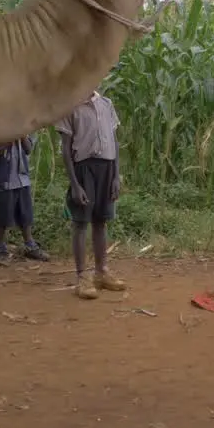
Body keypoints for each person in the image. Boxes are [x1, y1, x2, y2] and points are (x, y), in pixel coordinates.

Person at [57, 90, 126, 300]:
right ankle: (82, 277)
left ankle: (101, 272)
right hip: (83, 169)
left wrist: (115, 176)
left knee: (101, 221)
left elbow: (114, 143)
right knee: (80, 223)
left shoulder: (106, 104)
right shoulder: (69, 107)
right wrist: (75, 185)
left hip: (106, 168)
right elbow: (66, 150)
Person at [0, 134, 50, 263]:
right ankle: (1, 248)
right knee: (3, 216)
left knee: (26, 214)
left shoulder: (23, 128)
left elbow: (28, 149)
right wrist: (5, 145)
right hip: (3, 180)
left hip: (22, 178)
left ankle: (30, 246)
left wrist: (22, 135)